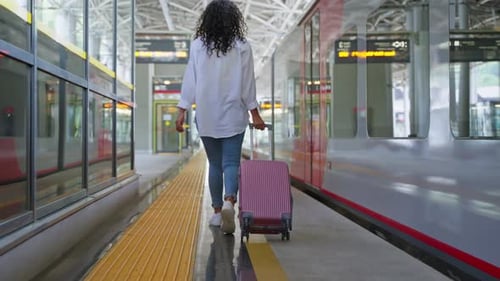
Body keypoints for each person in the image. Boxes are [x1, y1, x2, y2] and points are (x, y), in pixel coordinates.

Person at [175, 0, 265, 234]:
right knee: (231, 163)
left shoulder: (197, 46)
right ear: (234, 21)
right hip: (234, 114)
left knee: (214, 164)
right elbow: (247, 83)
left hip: (206, 115)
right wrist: (254, 113)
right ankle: (229, 201)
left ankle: (216, 214)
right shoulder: (242, 46)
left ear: (208, 21)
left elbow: (190, 80)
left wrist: (182, 110)